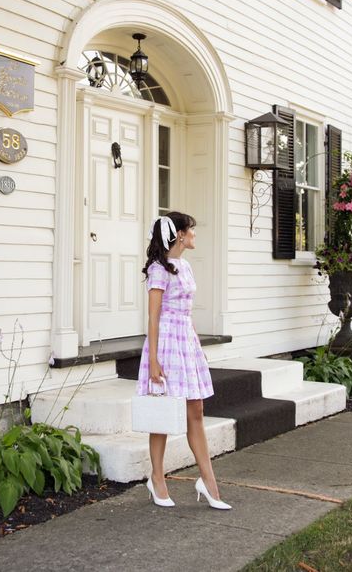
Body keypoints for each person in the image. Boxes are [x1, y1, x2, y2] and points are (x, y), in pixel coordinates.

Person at [137, 211, 231, 510]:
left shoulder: (186, 266)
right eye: (191, 230)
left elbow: (187, 310)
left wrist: (196, 346)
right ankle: (157, 478)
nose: (194, 235)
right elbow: (153, 316)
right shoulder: (158, 269)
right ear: (178, 234)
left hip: (186, 340)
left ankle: (208, 481)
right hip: (165, 341)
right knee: (163, 412)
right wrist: (153, 359)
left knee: (197, 409)